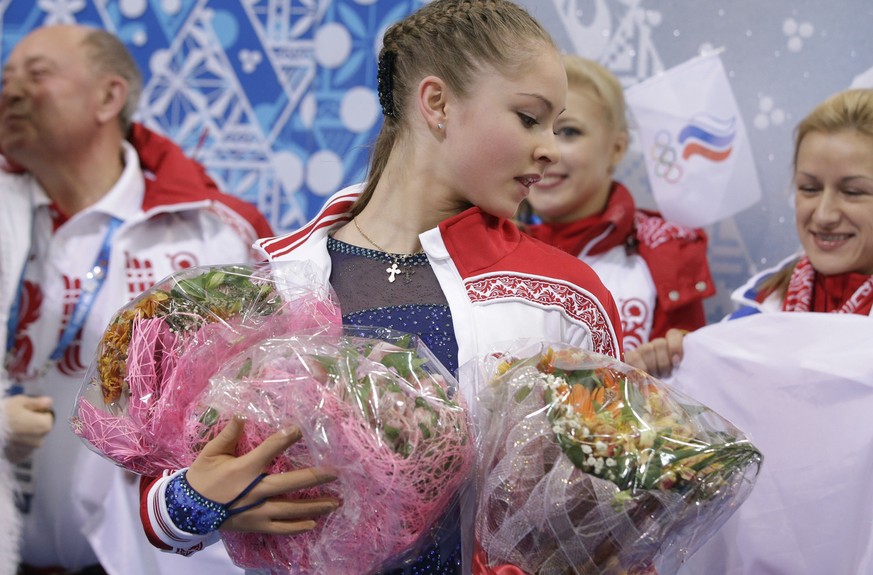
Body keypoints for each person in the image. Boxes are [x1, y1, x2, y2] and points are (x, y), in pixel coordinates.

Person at [137, 1, 624, 573]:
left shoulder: (564, 297)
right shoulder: (274, 278)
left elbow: (615, 514)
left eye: (559, 126)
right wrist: (195, 500)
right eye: (529, 118)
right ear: (437, 103)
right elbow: (159, 494)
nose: (549, 148)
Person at [0, 24, 275, 574]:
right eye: (5, 78)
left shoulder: (217, 232)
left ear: (109, 97)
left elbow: (275, 394)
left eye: (37, 74)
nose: (11, 92)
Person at [521, 55, 715, 353]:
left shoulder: (664, 253)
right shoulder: (483, 243)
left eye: (569, 131)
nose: (546, 150)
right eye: (532, 126)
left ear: (616, 148)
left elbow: (686, 379)